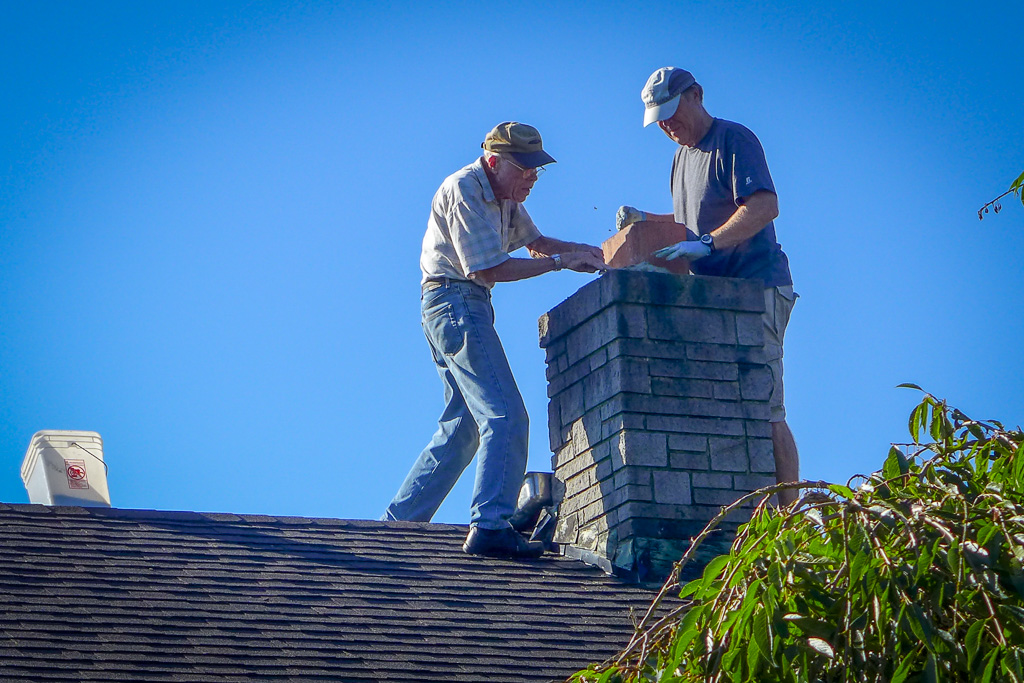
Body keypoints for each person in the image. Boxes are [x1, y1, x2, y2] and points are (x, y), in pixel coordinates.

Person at [383, 122, 607, 557]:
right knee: (505, 416)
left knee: (464, 425)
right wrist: (563, 263)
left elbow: (536, 243)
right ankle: (490, 525)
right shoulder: (465, 189)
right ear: (493, 161)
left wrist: (586, 250)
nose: (531, 177)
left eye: (536, 169)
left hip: (455, 306)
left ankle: (400, 525)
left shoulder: (504, 194)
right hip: (456, 303)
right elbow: (487, 270)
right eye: (523, 168)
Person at [617, 67, 800, 506]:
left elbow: (763, 205)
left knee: (765, 404)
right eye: (658, 120)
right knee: (724, 402)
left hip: (757, 291)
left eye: (671, 113)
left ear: (696, 95)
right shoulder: (681, 158)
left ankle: (789, 513)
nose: (667, 125)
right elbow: (692, 220)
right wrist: (647, 220)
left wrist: (709, 244)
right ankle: (743, 505)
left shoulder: (733, 139)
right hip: (714, 300)